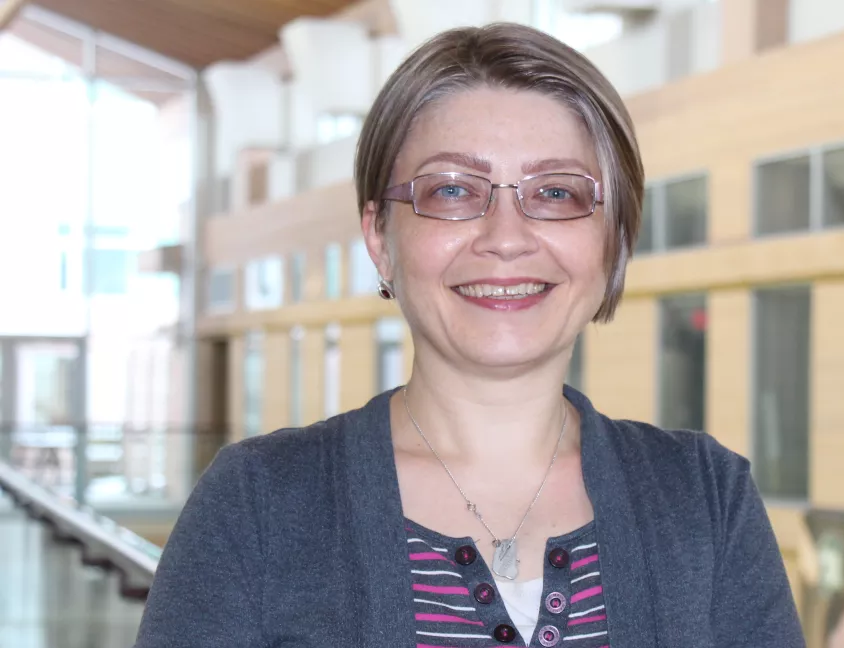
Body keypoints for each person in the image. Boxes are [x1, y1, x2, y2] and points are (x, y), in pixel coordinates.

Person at [135, 22, 803, 648]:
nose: (506, 237)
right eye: (453, 191)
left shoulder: (704, 500)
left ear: (615, 236)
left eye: (557, 193)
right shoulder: (260, 506)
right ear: (380, 238)